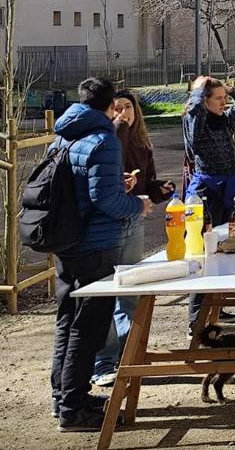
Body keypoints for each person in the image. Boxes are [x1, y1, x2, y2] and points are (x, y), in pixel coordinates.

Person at [50, 78, 149, 431]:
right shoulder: (104, 139)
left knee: (67, 320)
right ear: (109, 106)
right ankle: (73, 409)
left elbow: (81, 186)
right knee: (89, 326)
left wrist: (112, 184)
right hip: (95, 244)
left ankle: (63, 397)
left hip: (66, 239)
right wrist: (137, 204)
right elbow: (105, 201)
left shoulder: (64, 134)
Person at [91, 90, 175, 387]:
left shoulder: (142, 143)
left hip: (134, 219)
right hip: (108, 224)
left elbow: (145, 182)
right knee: (106, 292)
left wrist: (158, 189)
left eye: (128, 107)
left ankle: (128, 356)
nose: (124, 112)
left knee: (130, 292)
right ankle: (103, 362)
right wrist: (118, 128)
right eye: (117, 108)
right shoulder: (106, 140)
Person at [182, 76, 235, 326]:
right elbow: (194, 118)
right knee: (204, 251)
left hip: (230, 188)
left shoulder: (224, 121)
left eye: (225, 98)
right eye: (218, 98)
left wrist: (229, 88)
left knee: (228, 246)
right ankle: (196, 318)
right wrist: (198, 91)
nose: (224, 103)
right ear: (204, 101)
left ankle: (218, 307)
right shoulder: (195, 123)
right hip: (207, 192)